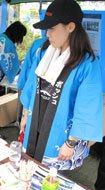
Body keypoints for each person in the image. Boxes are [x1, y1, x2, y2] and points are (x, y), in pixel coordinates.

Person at [20, 0, 103, 171]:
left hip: (59, 135)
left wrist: (71, 142)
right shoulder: (44, 51)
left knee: (50, 181)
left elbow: (86, 107)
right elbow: (31, 86)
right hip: (35, 123)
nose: (47, 33)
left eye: (52, 28)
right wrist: (26, 114)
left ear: (70, 27)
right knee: (28, 170)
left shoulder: (87, 64)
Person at [15, 37, 48, 126]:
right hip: (37, 95)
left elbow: (27, 66)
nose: (48, 33)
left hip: (33, 92)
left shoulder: (39, 43)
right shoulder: (41, 44)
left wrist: (21, 84)